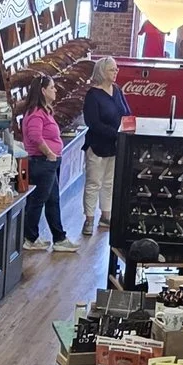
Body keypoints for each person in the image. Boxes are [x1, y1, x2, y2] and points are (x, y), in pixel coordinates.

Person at [16, 76, 75, 252]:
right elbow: (35, 136)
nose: (55, 90)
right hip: (42, 162)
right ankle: (30, 237)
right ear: (43, 91)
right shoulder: (36, 113)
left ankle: (59, 238)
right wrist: (49, 153)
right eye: (52, 87)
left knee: (52, 200)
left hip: (49, 162)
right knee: (38, 201)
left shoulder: (44, 111)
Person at [79, 57, 125, 240]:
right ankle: (89, 219)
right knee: (93, 182)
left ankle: (106, 216)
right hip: (97, 144)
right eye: (112, 69)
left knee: (109, 182)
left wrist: (126, 129)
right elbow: (93, 122)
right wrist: (115, 133)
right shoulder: (93, 95)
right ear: (102, 72)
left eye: (116, 69)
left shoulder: (117, 90)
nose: (116, 72)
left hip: (114, 145)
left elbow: (126, 112)